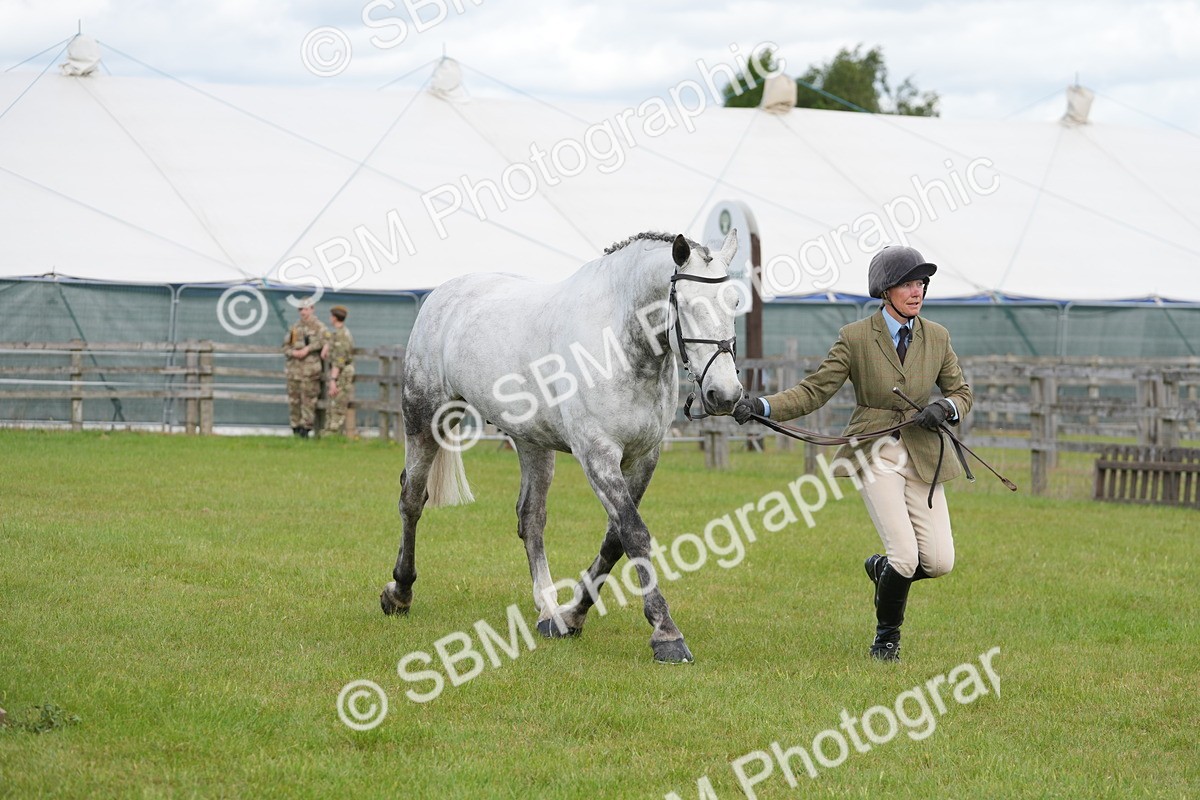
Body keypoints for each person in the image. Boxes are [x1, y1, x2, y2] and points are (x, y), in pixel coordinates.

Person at [733, 246, 973, 662]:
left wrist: (945, 408)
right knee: (905, 554)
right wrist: (763, 406)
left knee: (938, 562)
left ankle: (881, 571)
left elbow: (962, 393)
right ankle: (886, 641)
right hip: (874, 451)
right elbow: (814, 390)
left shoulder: (938, 337)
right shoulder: (855, 337)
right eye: (907, 283)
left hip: (922, 454)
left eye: (921, 283)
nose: (917, 291)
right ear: (885, 289)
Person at [283, 299, 328, 438]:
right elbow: (286, 346)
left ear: (312, 309)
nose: (303, 312)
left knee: (308, 401)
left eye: (306, 309)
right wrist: (293, 353)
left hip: (309, 372)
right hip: (294, 372)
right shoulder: (295, 328)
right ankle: (295, 429)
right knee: (294, 401)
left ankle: (306, 429)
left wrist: (308, 349)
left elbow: (326, 341)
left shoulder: (319, 327)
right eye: (301, 309)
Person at [322, 305, 355, 436]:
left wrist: (333, 380)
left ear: (335, 318)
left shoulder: (342, 336)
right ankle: (329, 431)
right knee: (333, 402)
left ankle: (333, 432)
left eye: (331, 316)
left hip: (341, 373)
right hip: (339, 371)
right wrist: (327, 345)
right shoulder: (338, 334)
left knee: (337, 402)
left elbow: (339, 360)